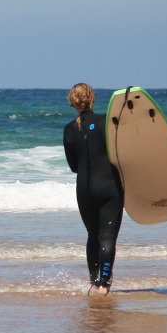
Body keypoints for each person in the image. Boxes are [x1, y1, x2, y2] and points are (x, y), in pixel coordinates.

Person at [63, 83, 124, 296]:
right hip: (108, 188)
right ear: (92, 98)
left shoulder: (69, 129)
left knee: (92, 236)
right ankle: (104, 285)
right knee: (107, 236)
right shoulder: (105, 122)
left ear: (72, 101)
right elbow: (127, 150)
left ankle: (93, 281)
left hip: (84, 191)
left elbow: (73, 167)